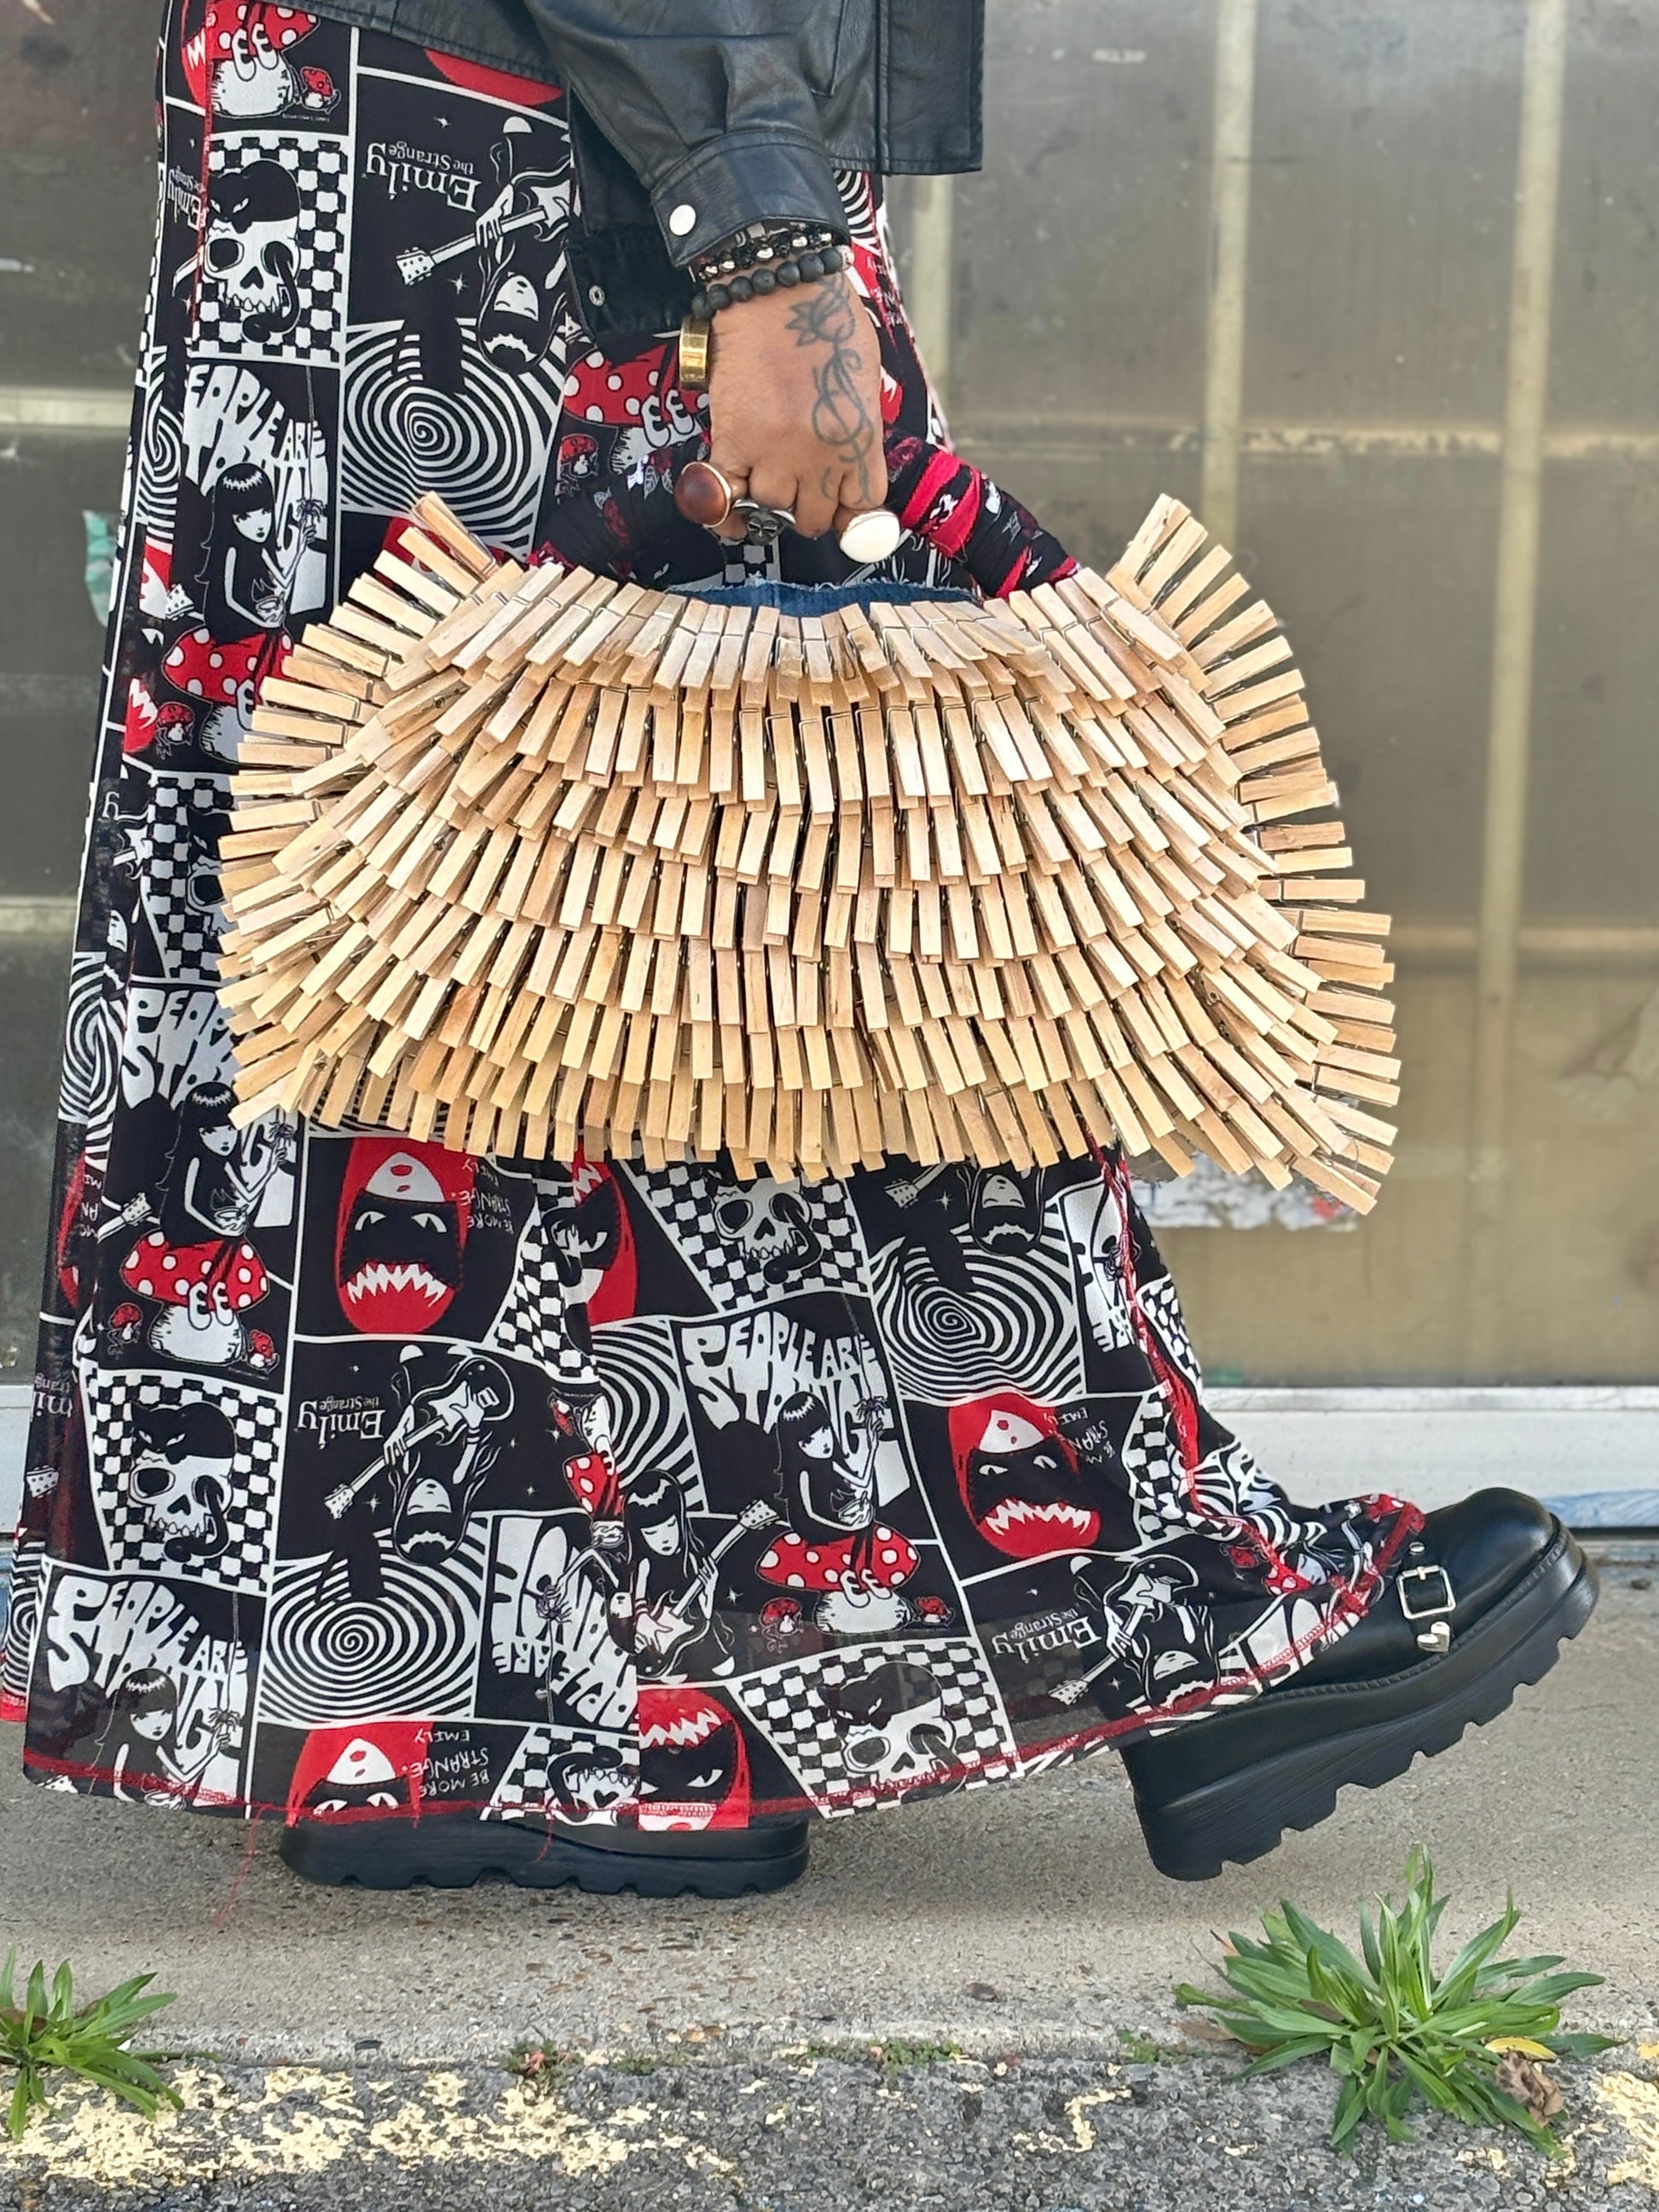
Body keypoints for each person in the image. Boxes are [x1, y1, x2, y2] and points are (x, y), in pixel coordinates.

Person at [3, 0, 1595, 1900]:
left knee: (468, 904)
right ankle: (1136, 1607)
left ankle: (454, 1713)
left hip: (424, 134)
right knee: (786, 894)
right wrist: (765, 235)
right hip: (557, 157)